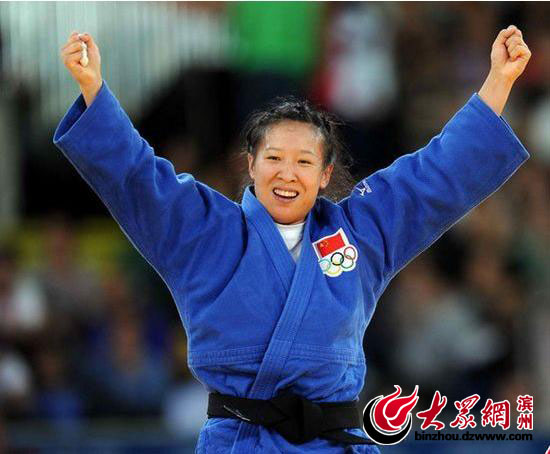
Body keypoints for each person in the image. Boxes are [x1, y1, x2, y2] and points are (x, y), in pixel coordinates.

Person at [55, 26, 531, 453]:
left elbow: (432, 178)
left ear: (324, 174)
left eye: (304, 162)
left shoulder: (361, 234)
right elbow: (139, 179)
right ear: (250, 165)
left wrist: (498, 82)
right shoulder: (205, 232)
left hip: (333, 445)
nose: (287, 174)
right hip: (241, 444)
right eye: (274, 159)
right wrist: (94, 89)